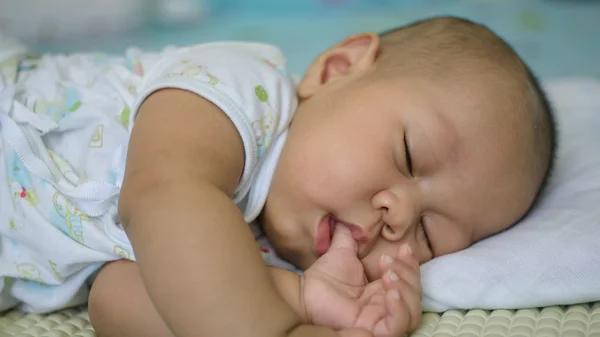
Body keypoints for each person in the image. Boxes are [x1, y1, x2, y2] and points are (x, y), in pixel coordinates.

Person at [0, 16, 556, 337]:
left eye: (430, 235)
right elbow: (164, 196)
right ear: (336, 71)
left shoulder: (268, 261)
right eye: (409, 155)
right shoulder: (243, 91)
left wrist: (302, 299)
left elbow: (119, 299)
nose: (399, 216)